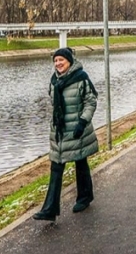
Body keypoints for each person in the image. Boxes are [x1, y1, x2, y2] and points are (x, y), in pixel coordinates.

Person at [34, 47, 99, 222]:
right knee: (56, 167)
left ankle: (84, 198)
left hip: (77, 129)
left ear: (69, 61)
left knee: (80, 161)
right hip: (59, 131)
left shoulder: (81, 78)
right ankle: (50, 209)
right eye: (55, 61)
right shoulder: (54, 81)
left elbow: (91, 101)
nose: (58, 64)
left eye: (61, 60)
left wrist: (82, 122)